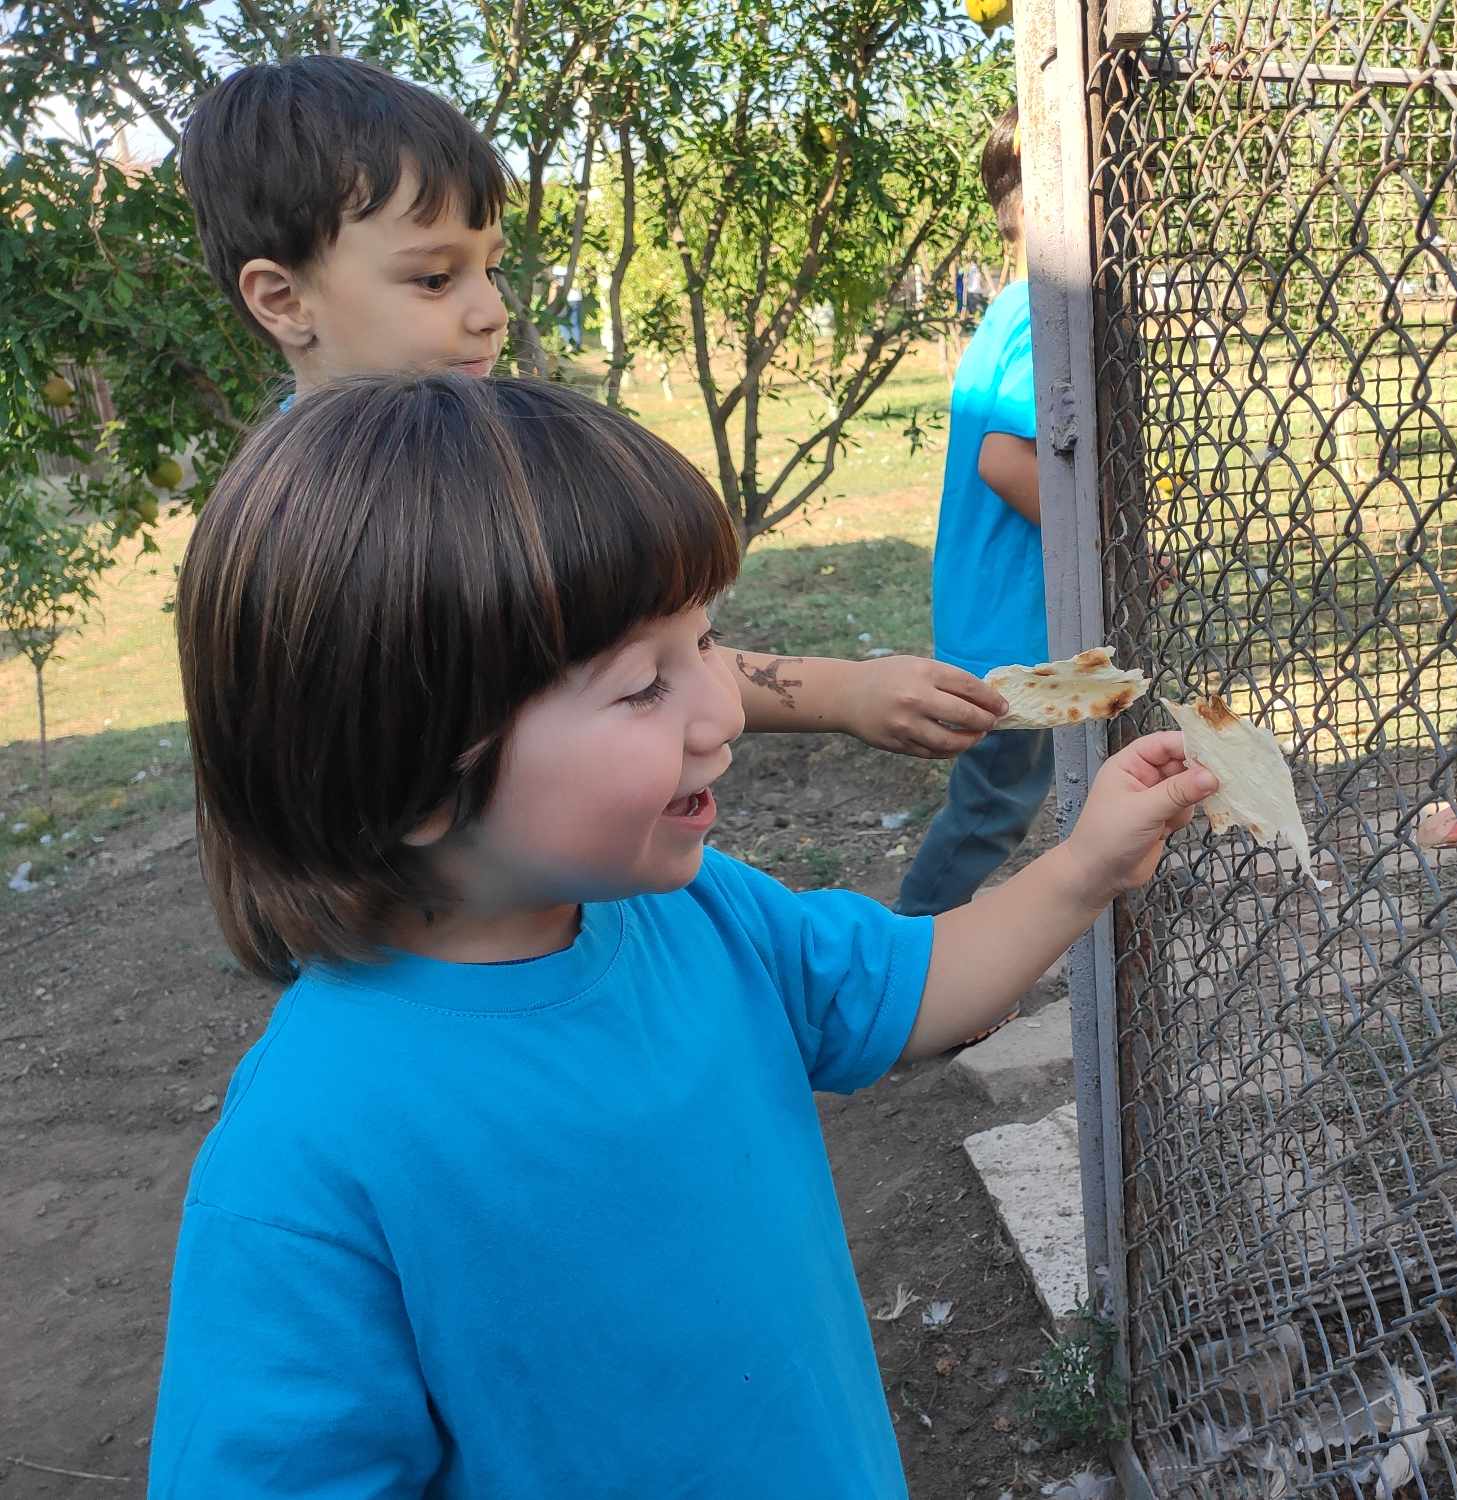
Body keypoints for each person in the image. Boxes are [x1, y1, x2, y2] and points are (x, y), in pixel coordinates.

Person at [148, 374, 1216, 1497]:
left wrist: (1085, 862)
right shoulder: (309, 1159)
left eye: (704, 645)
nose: (719, 715)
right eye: (641, 688)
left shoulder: (696, 913)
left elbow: (916, 986)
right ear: (412, 772)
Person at [178, 54, 1004, 761]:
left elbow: (644, 662)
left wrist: (851, 692)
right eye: (435, 277)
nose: (490, 312)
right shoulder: (301, 536)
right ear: (283, 301)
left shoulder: (496, 453)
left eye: (491, 269)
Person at [898, 106, 1051, 918]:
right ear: (1028, 211)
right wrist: (1097, 551)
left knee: (1021, 791)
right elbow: (1004, 460)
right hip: (1018, 631)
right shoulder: (1039, 312)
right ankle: (909, 951)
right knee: (992, 806)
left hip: (1012, 619)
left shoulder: (1016, 307)